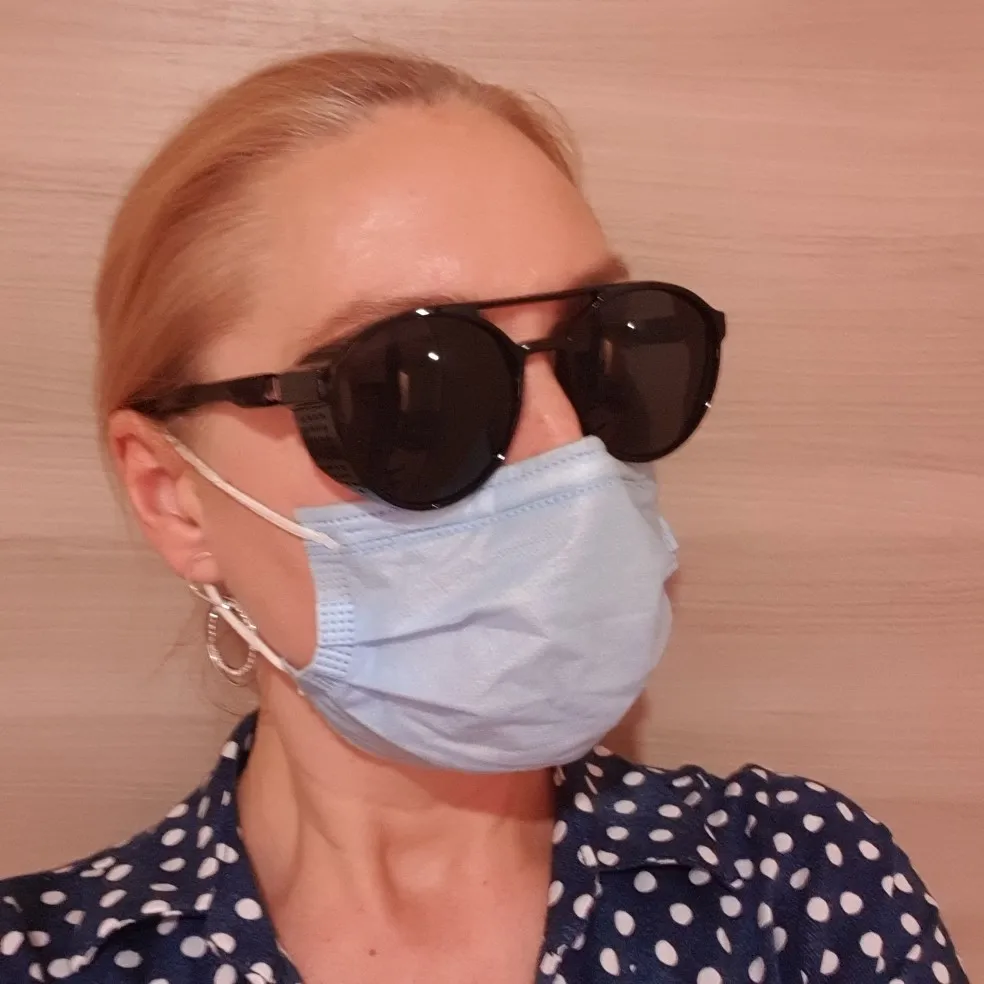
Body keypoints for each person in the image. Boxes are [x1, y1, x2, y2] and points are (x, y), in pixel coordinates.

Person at [0, 48, 967, 984]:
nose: (570, 448)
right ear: (174, 495)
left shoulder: (796, 889)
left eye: (598, 351)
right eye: (415, 389)